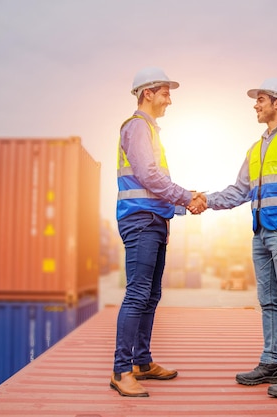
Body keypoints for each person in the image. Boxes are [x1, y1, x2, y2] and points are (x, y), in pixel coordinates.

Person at [204, 78, 277, 398]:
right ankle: (270, 363)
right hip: (261, 232)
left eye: (261, 99)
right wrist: (203, 199)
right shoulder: (255, 148)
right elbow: (238, 191)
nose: (256, 104)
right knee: (268, 301)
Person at [111, 66, 206, 397]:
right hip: (140, 220)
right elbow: (150, 176)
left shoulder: (150, 130)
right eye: (165, 93)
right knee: (138, 293)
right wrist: (186, 197)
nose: (169, 100)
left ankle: (142, 362)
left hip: (154, 219)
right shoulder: (137, 127)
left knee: (151, 295)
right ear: (147, 93)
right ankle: (121, 370)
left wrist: (181, 204)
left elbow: (153, 184)